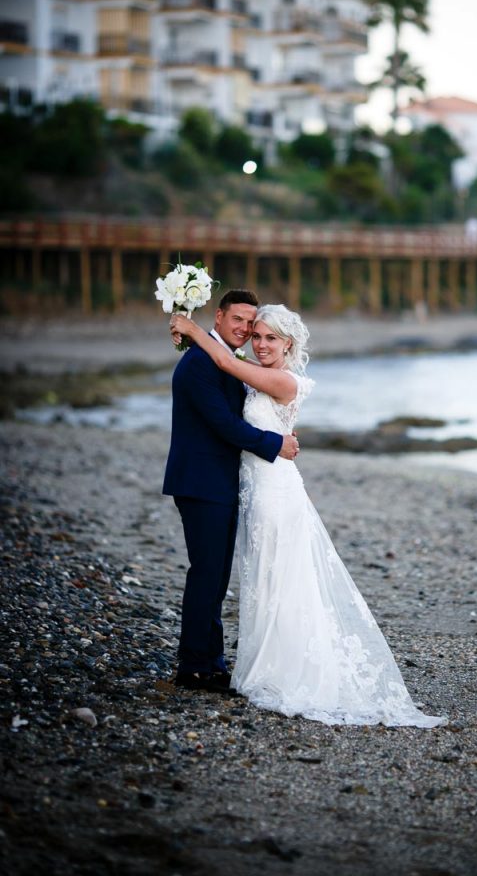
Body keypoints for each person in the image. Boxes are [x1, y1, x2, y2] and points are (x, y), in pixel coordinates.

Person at [170, 304, 446, 728]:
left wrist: (191, 328)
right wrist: (276, 439)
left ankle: (283, 670)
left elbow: (225, 359)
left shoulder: (282, 379)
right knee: (262, 577)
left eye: (269, 338)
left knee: (281, 578)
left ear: (288, 344)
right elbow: (227, 373)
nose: (259, 342)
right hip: (252, 489)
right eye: (256, 335)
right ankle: (246, 664)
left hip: (275, 493)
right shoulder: (254, 371)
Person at [163, 289, 299, 693]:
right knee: (206, 574)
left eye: (250, 323)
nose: (244, 329)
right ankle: (193, 666)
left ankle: (212, 661)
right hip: (202, 482)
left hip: (222, 482)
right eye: (237, 319)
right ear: (218, 317)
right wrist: (276, 445)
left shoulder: (223, 359)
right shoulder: (201, 362)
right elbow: (224, 424)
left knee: (216, 576)